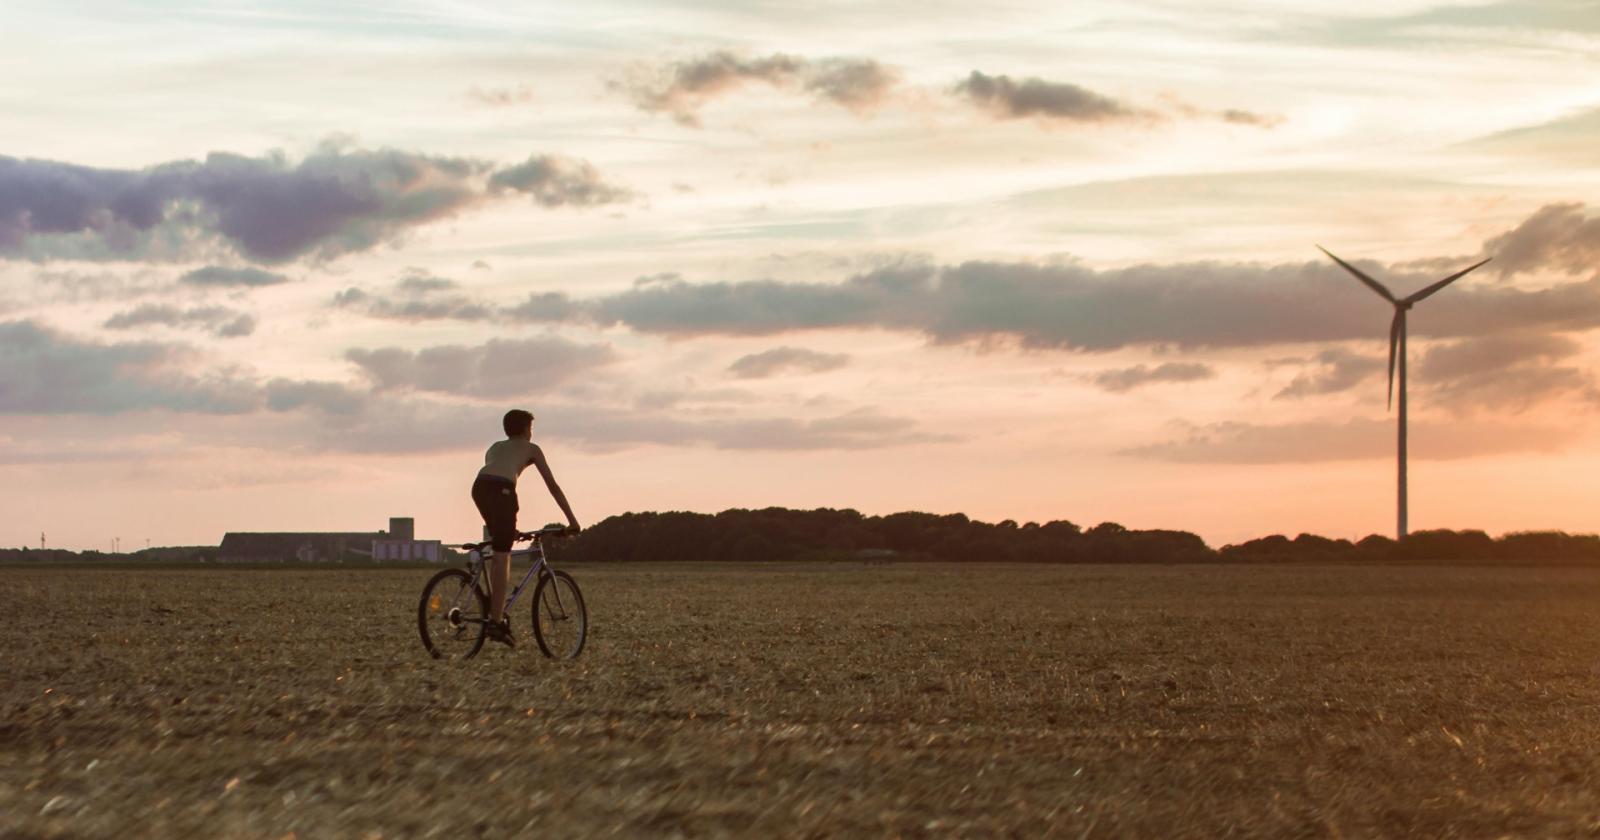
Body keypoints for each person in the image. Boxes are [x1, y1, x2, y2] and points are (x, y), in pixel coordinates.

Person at [471, 409, 580, 647]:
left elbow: (493, 476)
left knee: (500, 545)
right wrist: (572, 520)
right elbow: (552, 485)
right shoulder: (532, 449)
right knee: (503, 556)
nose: (532, 433)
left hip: (479, 488)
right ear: (524, 430)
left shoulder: (494, 448)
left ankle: (493, 607)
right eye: (531, 429)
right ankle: (497, 622)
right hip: (502, 489)